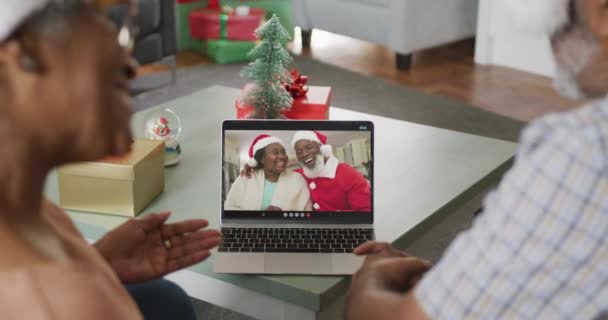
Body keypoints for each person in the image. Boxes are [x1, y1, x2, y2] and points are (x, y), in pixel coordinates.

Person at [346, 0, 608, 319]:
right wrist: (450, 280)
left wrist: (368, 280)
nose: (554, 44)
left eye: (558, 24)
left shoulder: (582, 153)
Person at [0, 1, 221, 319]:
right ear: (18, 53)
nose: (130, 65)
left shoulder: (34, 210)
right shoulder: (59, 303)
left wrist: (96, 263)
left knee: (166, 299)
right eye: (103, 18)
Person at [225, 134, 312, 211]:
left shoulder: (297, 179)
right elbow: (228, 208)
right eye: (275, 152)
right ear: (262, 159)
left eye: (283, 152)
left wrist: (284, 216)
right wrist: (259, 216)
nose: (282, 156)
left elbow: (308, 213)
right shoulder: (246, 178)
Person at [291, 131, 371, 212]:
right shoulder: (300, 174)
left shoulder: (348, 174)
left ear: (323, 149)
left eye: (309, 148)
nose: (304, 154)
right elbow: (282, 173)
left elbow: (365, 211)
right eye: (299, 152)